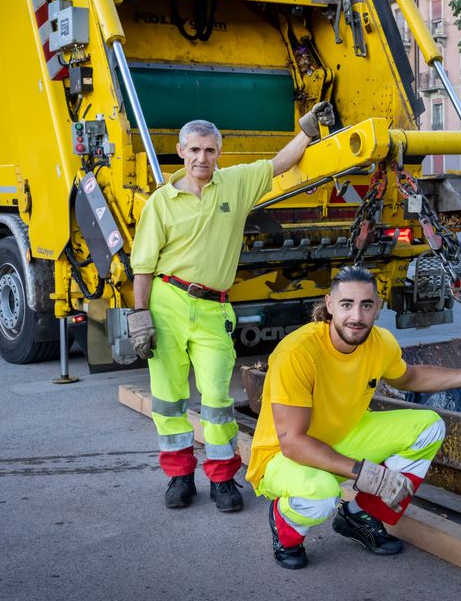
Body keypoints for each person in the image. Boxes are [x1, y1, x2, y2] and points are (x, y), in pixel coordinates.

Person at [128, 103, 333, 513]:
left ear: (219, 153)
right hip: (167, 302)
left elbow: (279, 164)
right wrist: (140, 316)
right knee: (167, 397)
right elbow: (144, 266)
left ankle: (222, 479)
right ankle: (179, 477)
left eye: (209, 150)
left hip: (213, 308)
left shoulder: (236, 183)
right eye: (194, 150)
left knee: (218, 400)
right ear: (181, 152)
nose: (201, 158)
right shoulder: (161, 202)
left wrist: (307, 130)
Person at [245, 264, 461, 569]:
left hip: (343, 436)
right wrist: (368, 474)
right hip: (283, 457)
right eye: (347, 304)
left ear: (378, 308)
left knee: (429, 427)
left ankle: (360, 514)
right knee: (322, 495)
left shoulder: (380, 343)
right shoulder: (297, 353)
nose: (356, 316)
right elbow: (293, 442)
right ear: (330, 305)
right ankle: (286, 528)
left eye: (366, 305)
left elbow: (410, 377)